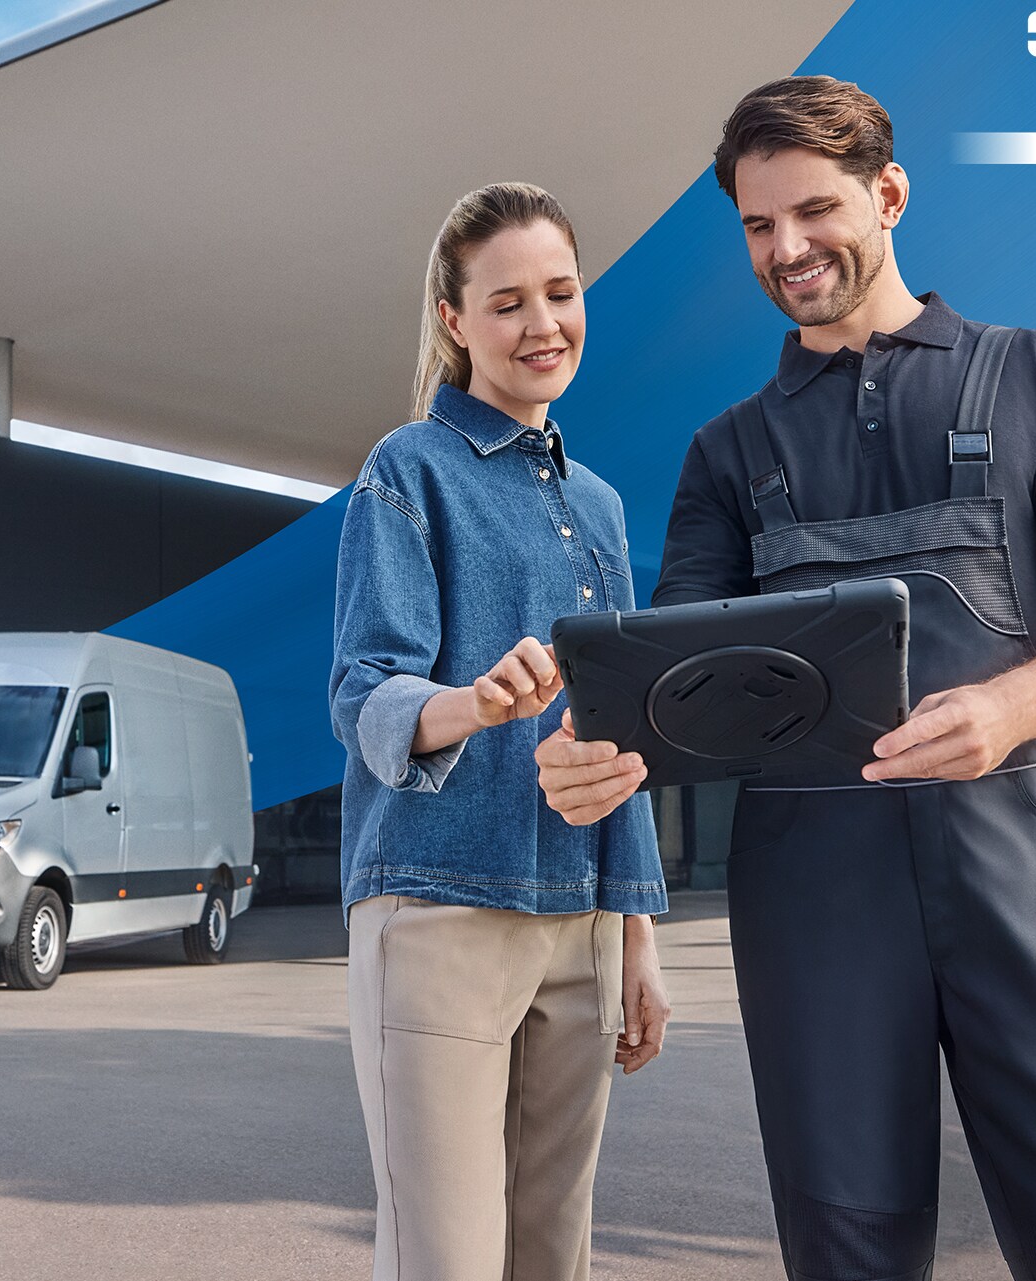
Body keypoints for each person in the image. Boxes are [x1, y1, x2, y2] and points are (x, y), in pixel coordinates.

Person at [536, 78, 1036, 1281]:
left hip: (1028, 871)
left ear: (889, 194)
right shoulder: (729, 453)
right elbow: (668, 688)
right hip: (817, 907)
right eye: (755, 225)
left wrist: (1006, 708)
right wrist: (592, 754)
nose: (786, 249)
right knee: (846, 1249)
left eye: (814, 211)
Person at [329, 182, 672, 1281]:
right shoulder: (407, 470)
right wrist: (474, 703)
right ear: (453, 318)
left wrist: (636, 932)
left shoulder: (604, 509)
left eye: (561, 294)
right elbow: (363, 690)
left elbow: (623, 738)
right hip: (437, 907)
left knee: (550, 1257)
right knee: (449, 1261)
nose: (543, 325)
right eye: (509, 301)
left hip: (579, 920)